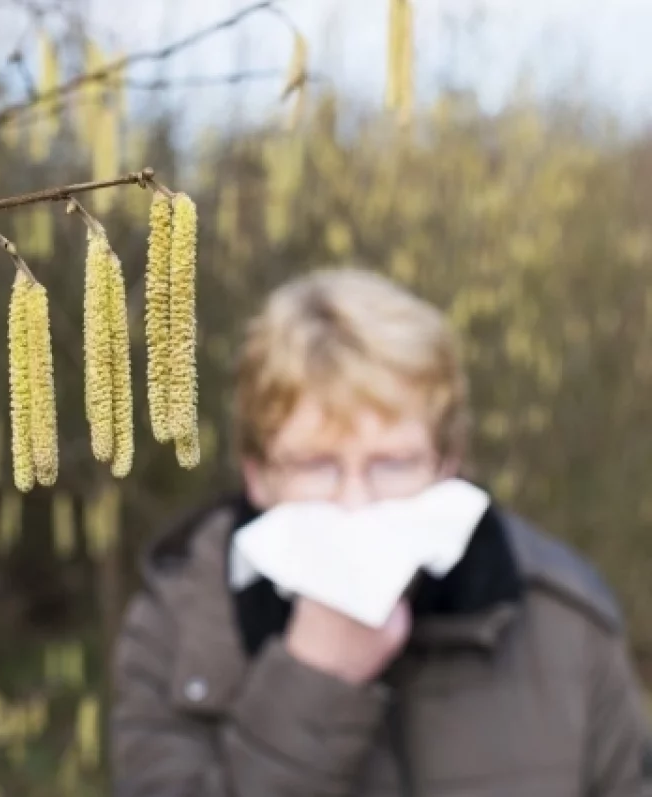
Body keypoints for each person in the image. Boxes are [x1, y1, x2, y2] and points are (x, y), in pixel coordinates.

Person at [109, 267, 652, 796]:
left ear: (446, 463)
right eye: (317, 465)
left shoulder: (562, 618)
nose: (356, 503)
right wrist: (314, 682)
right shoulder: (181, 628)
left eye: (392, 464)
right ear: (258, 475)